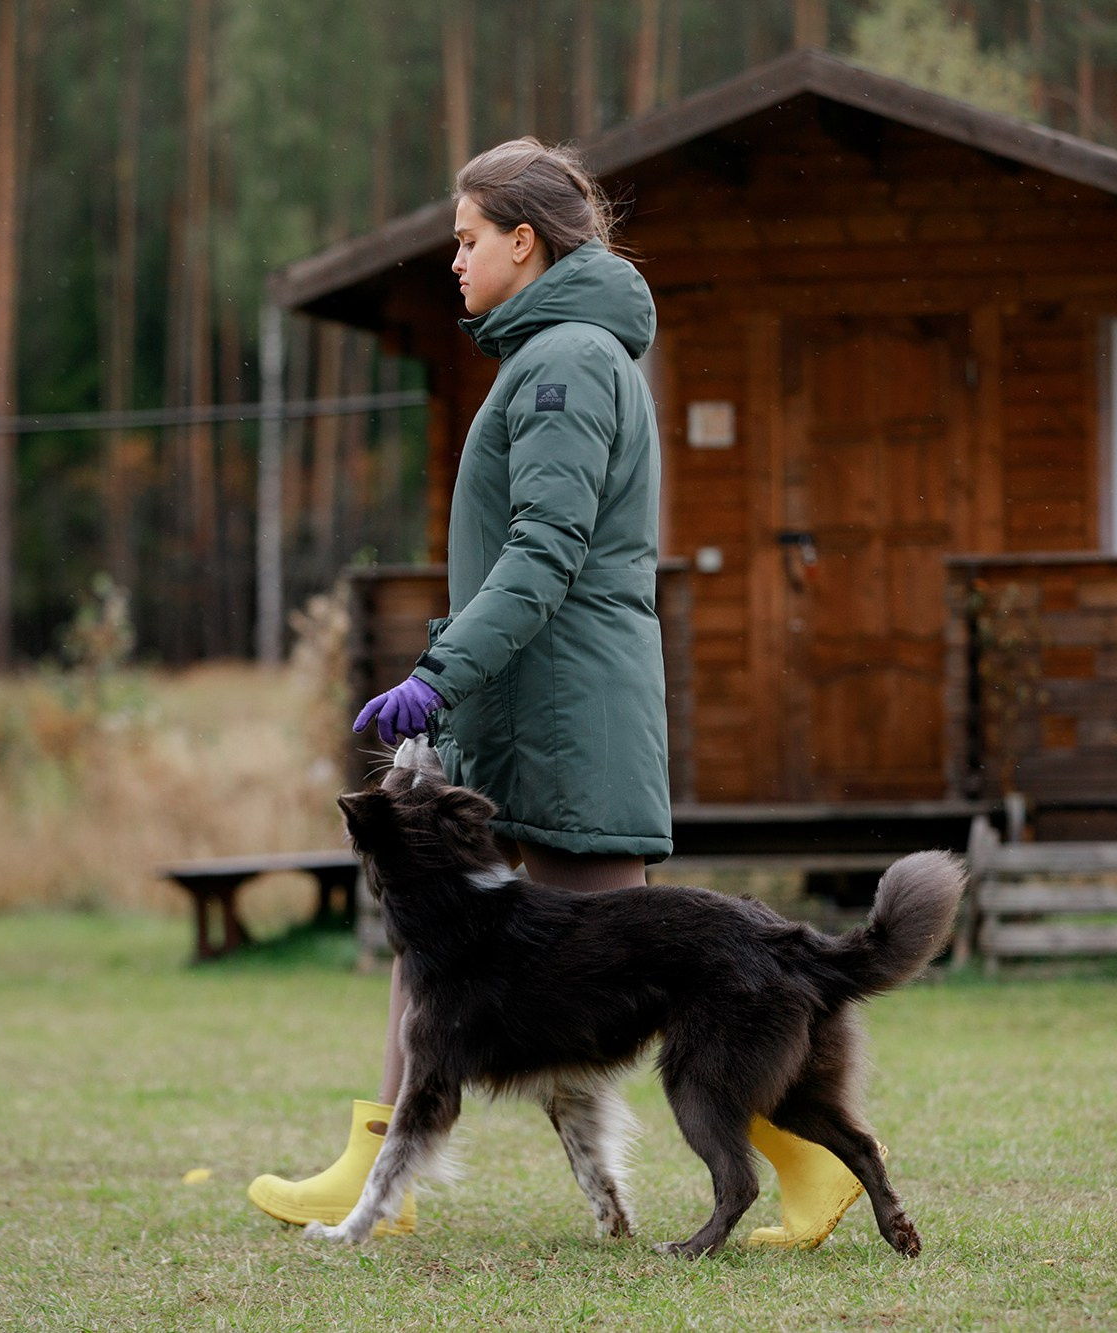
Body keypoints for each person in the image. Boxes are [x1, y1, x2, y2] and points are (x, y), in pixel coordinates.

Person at [246, 138, 865, 1249]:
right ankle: (373, 1171)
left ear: (522, 243)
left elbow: (541, 551)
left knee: (632, 969)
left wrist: (437, 673)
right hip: (532, 703)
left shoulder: (564, 363)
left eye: (466, 239)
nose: (453, 260)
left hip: (566, 711)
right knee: (432, 947)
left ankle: (814, 1166)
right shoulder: (553, 354)